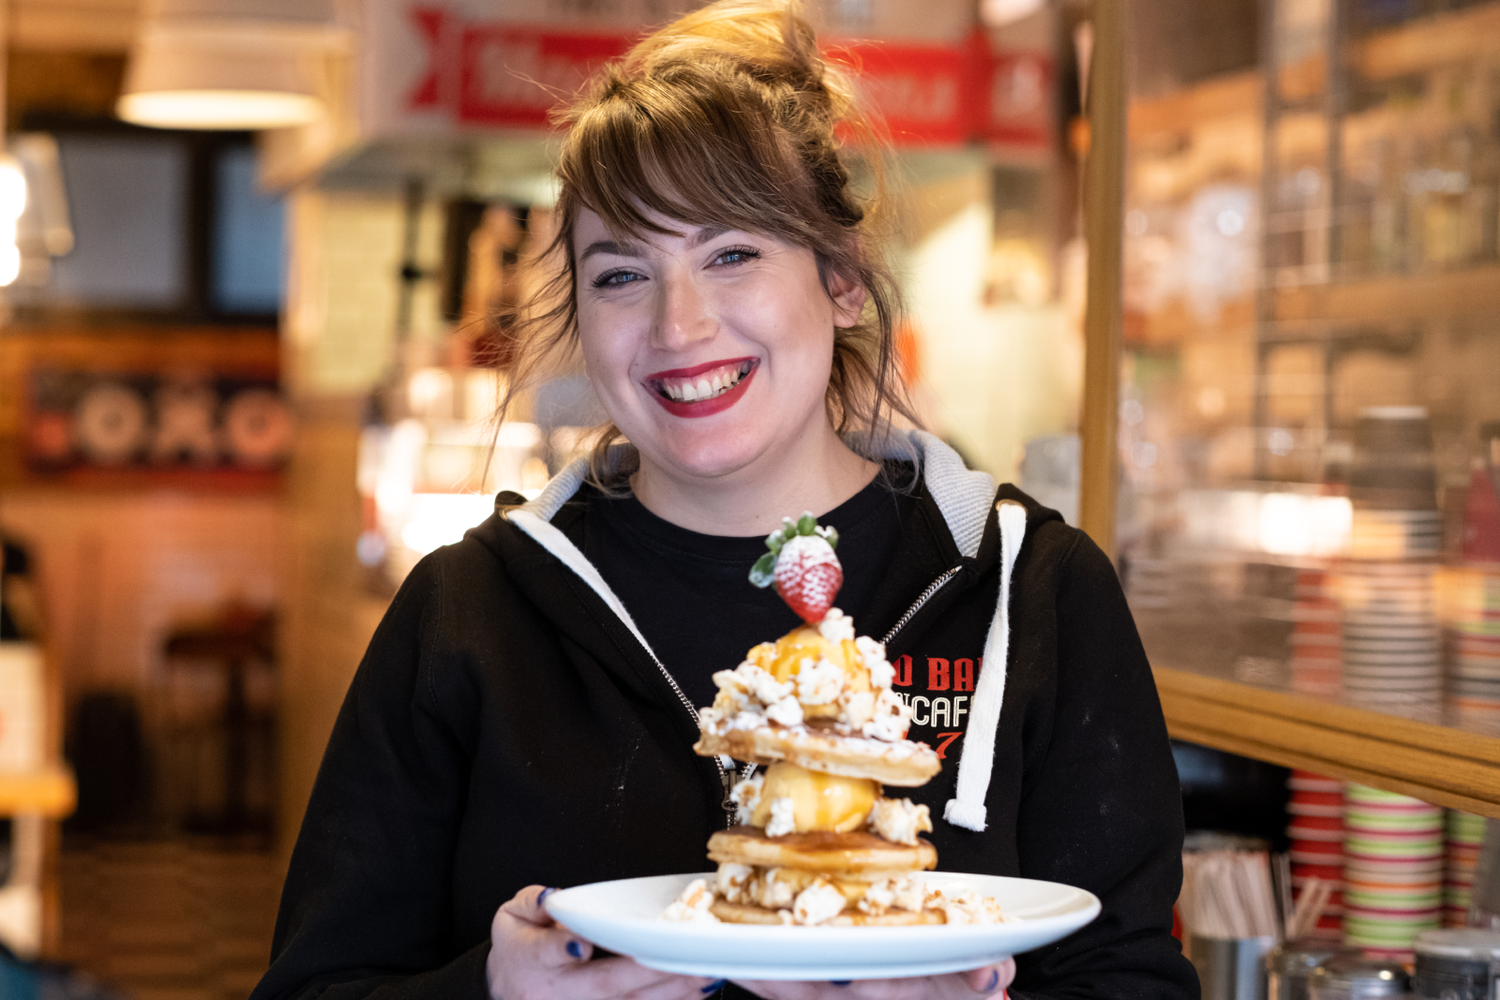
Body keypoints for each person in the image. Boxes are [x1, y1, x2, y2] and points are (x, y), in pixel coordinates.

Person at [251, 3, 1197, 999]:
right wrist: (492, 993)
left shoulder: (1029, 594)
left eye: (731, 254)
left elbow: (1129, 977)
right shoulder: (472, 612)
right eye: (621, 274)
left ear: (840, 278)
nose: (679, 322)